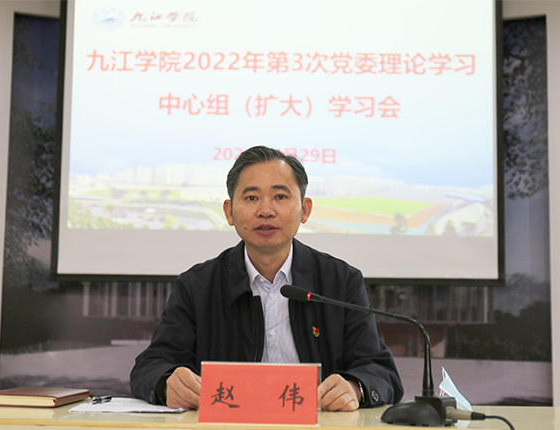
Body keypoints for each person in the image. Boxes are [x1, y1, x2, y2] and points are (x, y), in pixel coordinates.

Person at [130, 146, 403, 411]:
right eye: (251, 198)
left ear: (305, 209)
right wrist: (167, 383)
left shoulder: (340, 281)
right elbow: (150, 366)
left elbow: (380, 371)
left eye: (280, 197)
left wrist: (355, 387)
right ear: (229, 212)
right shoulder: (197, 286)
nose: (266, 210)